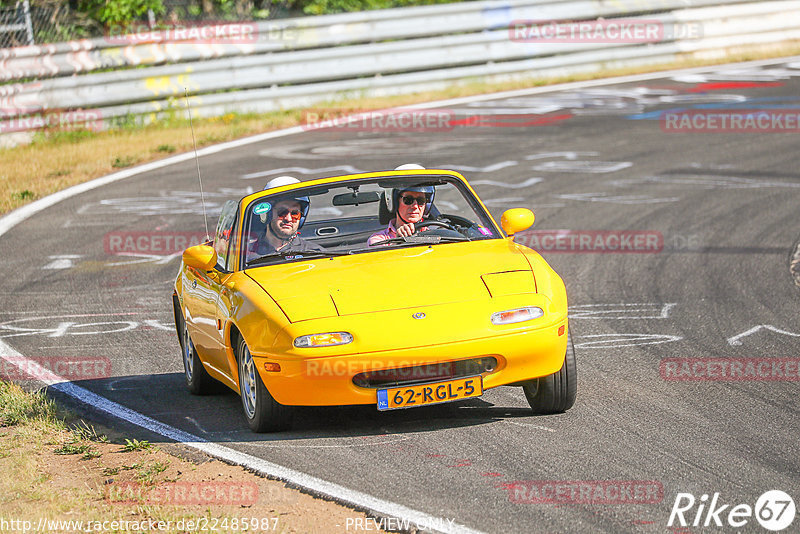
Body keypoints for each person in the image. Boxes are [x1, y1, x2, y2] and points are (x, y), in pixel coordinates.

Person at [254, 176, 323, 256]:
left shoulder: (314, 253)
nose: (288, 219)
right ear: (269, 214)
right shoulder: (245, 255)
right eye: (282, 212)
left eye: (295, 213)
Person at [368, 164, 434, 246]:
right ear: (394, 201)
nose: (415, 206)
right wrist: (397, 242)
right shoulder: (378, 239)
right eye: (408, 200)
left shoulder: (437, 235)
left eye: (421, 200)